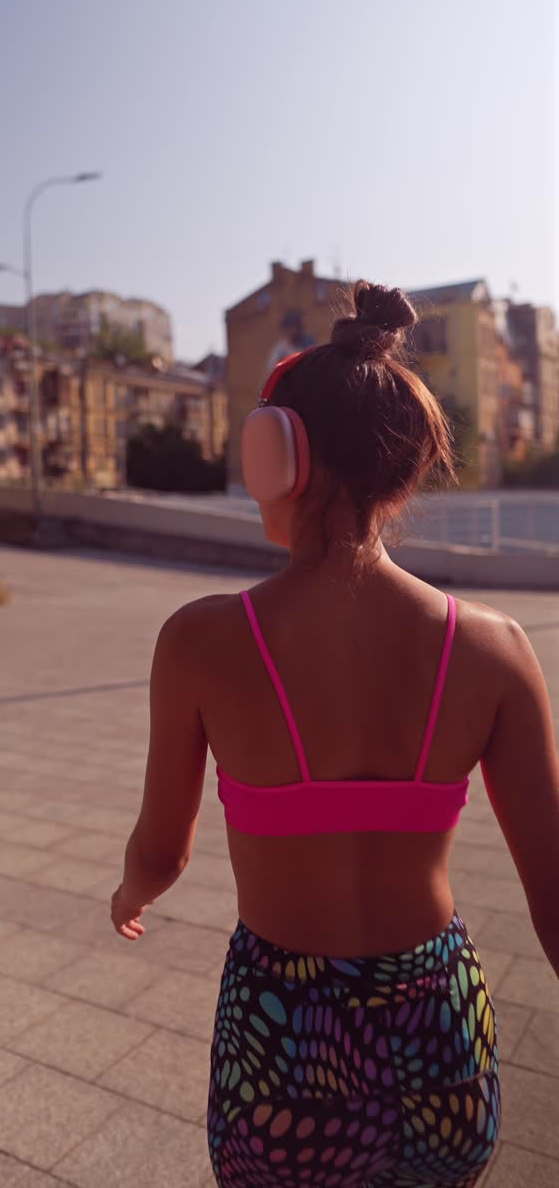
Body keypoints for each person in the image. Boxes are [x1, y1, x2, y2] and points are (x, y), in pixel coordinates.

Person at [111, 280, 559, 1187]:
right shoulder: (498, 649)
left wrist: (132, 890)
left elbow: (165, 849)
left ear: (276, 457)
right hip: (441, 1027)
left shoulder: (200, 640)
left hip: (282, 1032)